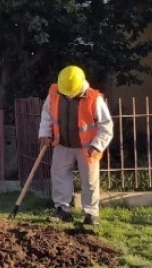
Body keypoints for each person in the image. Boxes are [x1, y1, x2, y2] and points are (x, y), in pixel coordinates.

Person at [38, 65, 114, 226]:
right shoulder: (54, 93)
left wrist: (98, 145)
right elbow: (47, 115)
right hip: (63, 144)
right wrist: (45, 133)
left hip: (88, 148)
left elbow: (106, 126)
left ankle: (91, 214)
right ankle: (62, 209)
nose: (70, 96)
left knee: (90, 181)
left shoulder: (94, 98)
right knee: (59, 175)